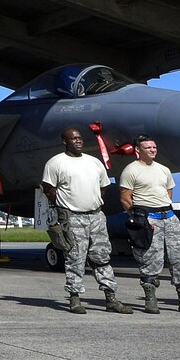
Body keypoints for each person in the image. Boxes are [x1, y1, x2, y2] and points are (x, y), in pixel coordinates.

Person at [41, 126, 131, 314]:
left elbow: (103, 187)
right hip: (73, 218)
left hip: (96, 216)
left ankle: (111, 298)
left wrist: (92, 202)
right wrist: (65, 206)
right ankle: (74, 298)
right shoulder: (56, 163)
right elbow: (49, 189)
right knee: (75, 258)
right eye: (74, 139)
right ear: (65, 141)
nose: (78, 141)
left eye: (80, 138)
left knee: (102, 257)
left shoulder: (94, 162)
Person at [119, 135, 180, 315]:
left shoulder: (163, 169)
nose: (153, 150)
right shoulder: (131, 170)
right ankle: (150, 299)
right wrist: (138, 218)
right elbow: (125, 197)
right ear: (138, 150)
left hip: (169, 217)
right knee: (150, 259)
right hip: (148, 218)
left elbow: (168, 192)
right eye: (148, 148)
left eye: (154, 147)